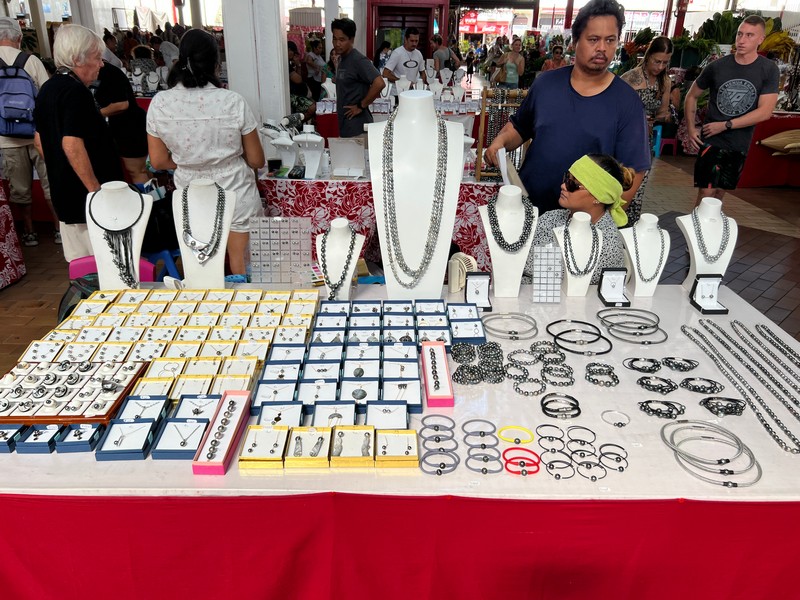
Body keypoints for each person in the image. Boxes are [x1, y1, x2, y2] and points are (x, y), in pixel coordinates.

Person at [484, 0, 649, 215]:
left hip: (580, 223)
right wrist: (500, 142)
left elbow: (633, 173)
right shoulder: (546, 84)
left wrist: (602, 221)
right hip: (528, 210)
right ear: (575, 41)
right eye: (593, 39)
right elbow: (519, 127)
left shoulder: (627, 103)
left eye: (610, 40)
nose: (602, 48)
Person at [146, 29, 265, 280]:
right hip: (236, 190)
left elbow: (157, 161)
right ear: (215, 64)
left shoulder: (160, 103)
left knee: (201, 266)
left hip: (192, 193)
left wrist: (188, 162)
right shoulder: (233, 101)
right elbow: (256, 159)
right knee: (242, 263)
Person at [34, 24, 123, 262]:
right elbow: (71, 144)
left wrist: (60, 168)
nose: (101, 64)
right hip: (86, 202)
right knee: (102, 265)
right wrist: (96, 192)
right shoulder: (75, 92)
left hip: (66, 195)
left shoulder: (48, 88)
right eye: (97, 58)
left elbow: (39, 141)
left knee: (80, 265)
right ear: (77, 59)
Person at [684, 15, 779, 206]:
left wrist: (726, 125)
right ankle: (697, 225)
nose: (742, 40)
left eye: (749, 35)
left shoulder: (768, 69)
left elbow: (765, 112)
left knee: (719, 193)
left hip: (739, 142)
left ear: (761, 39)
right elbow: (691, 96)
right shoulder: (717, 67)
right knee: (706, 192)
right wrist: (691, 128)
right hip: (712, 139)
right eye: (739, 34)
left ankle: (710, 225)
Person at [523, 154, 632, 284]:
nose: (563, 186)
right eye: (566, 178)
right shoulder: (551, 217)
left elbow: (566, 281)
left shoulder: (608, 245)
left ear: (599, 197)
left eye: (573, 184)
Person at [0, 17, 59, 247]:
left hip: (6, 138)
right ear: (19, 37)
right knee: (50, 183)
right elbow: (46, 96)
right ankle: (59, 229)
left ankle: (29, 231)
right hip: (37, 135)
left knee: (19, 188)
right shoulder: (31, 60)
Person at [620, 35, 673, 224]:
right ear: (648, 56)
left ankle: (629, 230)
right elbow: (614, 110)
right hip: (624, 140)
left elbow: (663, 111)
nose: (660, 67)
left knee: (637, 189)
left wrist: (662, 117)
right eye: (657, 61)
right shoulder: (630, 78)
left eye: (665, 63)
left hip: (645, 142)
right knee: (620, 185)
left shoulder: (664, 82)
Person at [93, 60, 149, 185]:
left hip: (130, 126)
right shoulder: (102, 71)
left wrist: (94, 115)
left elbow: (121, 104)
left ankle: (147, 197)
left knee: (137, 171)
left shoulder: (107, 71)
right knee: (139, 171)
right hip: (119, 127)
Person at [331, 18, 385, 138]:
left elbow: (379, 83)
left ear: (351, 39)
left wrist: (361, 106)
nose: (337, 43)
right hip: (346, 126)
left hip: (358, 129)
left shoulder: (358, 60)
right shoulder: (342, 59)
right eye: (334, 39)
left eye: (342, 40)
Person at [287, 41, 314, 120]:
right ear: (289, 50)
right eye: (293, 52)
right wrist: (298, 65)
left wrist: (298, 65)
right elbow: (298, 80)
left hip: (298, 93)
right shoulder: (286, 64)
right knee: (312, 107)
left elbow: (299, 78)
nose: (294, 55)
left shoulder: (289, 64)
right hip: (292, 95)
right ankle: (296, 122)